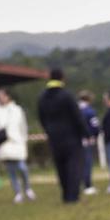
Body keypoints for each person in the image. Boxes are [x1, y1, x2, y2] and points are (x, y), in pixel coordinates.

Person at [37, 68, 88, 203]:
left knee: (61, 167)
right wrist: (86, 133)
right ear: (62, 78)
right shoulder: (67, 95)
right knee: (74, 166)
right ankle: (73, 196)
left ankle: (65, 195)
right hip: (71, 137)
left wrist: (48, 130)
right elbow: (77, 116)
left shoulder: (42, 97)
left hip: (54, 137)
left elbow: (41, 117)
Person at [0, 88, 33, 202]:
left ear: (7, 96)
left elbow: (23, 126)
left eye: (2, 96)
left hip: (17, 142)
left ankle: (28, 188)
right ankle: (18, 192)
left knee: (22, 167)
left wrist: (24, 138)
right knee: (11, 170)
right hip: (4, 143)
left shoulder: (16, 110)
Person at [77, 91, 100, 195]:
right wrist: (95, 135)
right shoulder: (90, 111)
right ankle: (88, 186)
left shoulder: (75, 110)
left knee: (78, 164)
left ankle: (78, 184)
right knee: (87, 163)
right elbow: (95, 126)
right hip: (87, 140)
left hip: (75, 140)